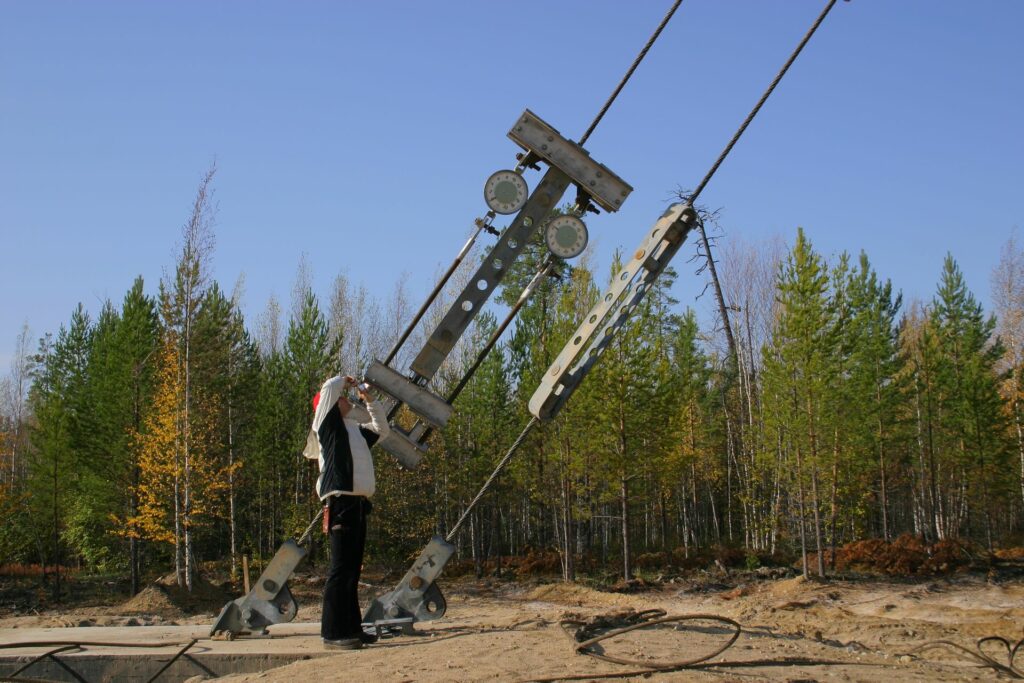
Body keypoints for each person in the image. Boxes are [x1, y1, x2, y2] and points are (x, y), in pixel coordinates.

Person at [303, 374, 390, 650]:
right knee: (340, 569)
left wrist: (371, 400)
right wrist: (345, 380)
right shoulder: (325, 425)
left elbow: (382, 429)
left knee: (352, 570)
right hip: (339, 502)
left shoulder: (355, 429)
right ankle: (332, 633)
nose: (345, 400)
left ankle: (352, 629)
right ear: (328, 406)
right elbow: (328, 389)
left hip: (358, 503)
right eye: (342, 398)